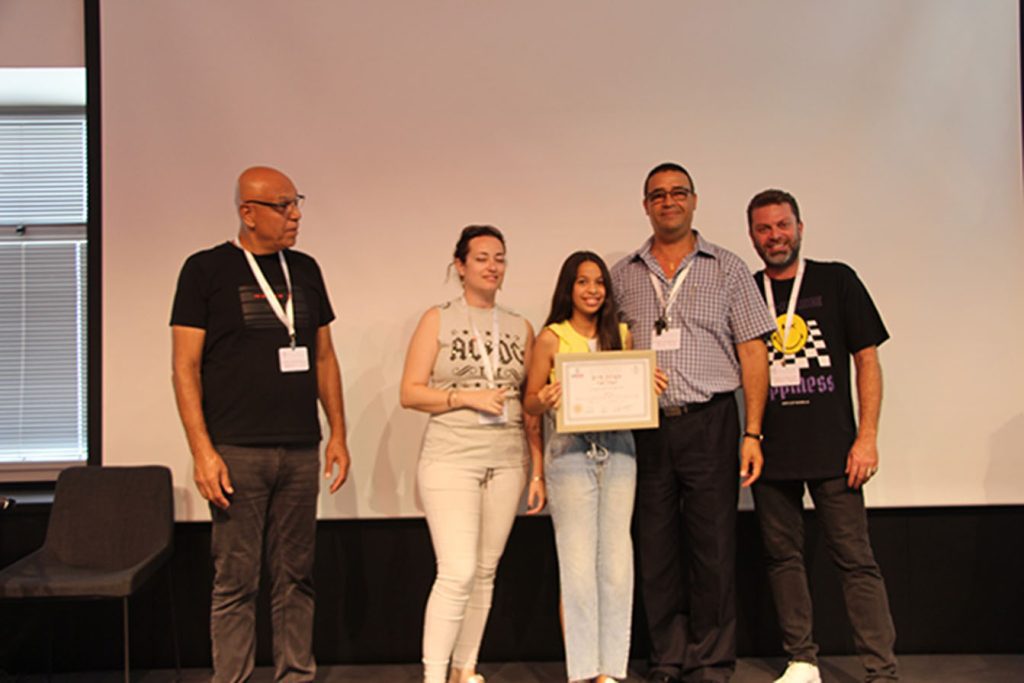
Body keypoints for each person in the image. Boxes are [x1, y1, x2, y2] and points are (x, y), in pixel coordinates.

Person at [170, 166, 351, 683]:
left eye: (297, 203)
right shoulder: (205, 270)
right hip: (235, 451)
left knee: (297, 576)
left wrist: (338, 433)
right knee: (236, 580)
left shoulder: (306, 269)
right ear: (248, 213)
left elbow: (324, 357)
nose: (295, 215)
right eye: (283, 205)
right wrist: (203, 452)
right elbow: (184, 367)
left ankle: (295, 675)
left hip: (300, 448)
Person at [610, 162, 775, 683]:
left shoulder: (727, 268)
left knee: (713, 547)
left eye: (678, 192)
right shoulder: (623, 275)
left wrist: (752, 432)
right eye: (658, 195)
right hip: (645, 430)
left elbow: (753, 353)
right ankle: (667, 657)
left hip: (710, 422)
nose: (669, 201)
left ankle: (710, 661)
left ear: (694, 200)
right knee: (656, 548)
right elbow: (606, 351)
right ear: (646, 206)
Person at [746, 189, 898, 683]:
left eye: (782, 225)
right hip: (771, 452)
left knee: (856, 561)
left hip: (836, 450)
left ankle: (881, 671)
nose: (775, 236)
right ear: (752, 236)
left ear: (800, 227)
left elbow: (867, 360)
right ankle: (802, 661)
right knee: (782, 559)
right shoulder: (746, 290)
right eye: (764, 228)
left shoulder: (836, 280)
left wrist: (867, 437)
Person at [399, 225, 545, 683]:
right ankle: (434, 676)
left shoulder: (521, 326)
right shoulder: (437, 319)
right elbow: (410, 393)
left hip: (507, 459)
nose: (492, 266)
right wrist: (465, 398)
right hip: (452, 457)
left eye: (499, 258)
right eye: (481, 258)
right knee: (457, 571)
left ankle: (465, 670)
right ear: (460, 266)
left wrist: (537, 469)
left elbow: (530, 406)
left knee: (484, 571)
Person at [524, 251, 667, 683]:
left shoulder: (620, 335)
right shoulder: (552, 337)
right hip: (570, 453)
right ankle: (584, 671)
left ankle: (611, 670)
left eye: (599, 282)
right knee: (578, 566)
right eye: (583, 282)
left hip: (620, 449)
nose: (592, 290)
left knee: (617, 565)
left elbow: (630, 392)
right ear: (568, 288)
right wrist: (543, 399)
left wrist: (648, 384)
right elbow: (529, 402)